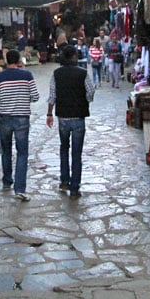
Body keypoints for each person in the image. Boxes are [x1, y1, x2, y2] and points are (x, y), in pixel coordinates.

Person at [0, 49, 39, 201]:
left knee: (6, 151)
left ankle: (7, 180)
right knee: (22, 152)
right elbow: (35, 96)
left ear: (6, 60)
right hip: (22, 117)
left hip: (5, 118)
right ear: (18, 61)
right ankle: (20, 188)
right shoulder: (27, 76)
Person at [46, 44, 94, 197]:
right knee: (76, 153)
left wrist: (49, 113)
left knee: (64, 148)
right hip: (78, 116)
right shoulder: (83, 73)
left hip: (63, 117)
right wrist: (85, 100)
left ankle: (64, 180)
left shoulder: (57, 73)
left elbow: (52, 95)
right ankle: (75, 187)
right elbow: (90, 92)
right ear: (74, 57)